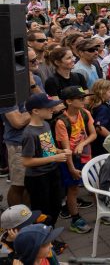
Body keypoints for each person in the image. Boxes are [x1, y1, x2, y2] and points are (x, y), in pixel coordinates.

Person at [53, 86, 96, 234]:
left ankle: (104, 212)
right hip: (69, 159)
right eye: (80, 98)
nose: (84, 100)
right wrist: (71, 168)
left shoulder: (85, 113)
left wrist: (83, 143)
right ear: (69, 101)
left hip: (84, 154)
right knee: (73, 189)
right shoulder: (61, 122)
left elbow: (93, 134)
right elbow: (66, 150)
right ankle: (75, 219)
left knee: (93, 181)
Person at [21, 94, 69, 227]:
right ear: (35, 111)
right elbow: (27, 162)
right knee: (43, 211)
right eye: (48, 108)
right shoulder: (29, 134)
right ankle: (43, 240)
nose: (52, 110)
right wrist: (55, 157)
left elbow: (48, 149)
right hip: (38, 178)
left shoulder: (46, 125)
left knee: (55, 206)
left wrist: (60, 152)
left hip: (52, 172)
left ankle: (48, 238)